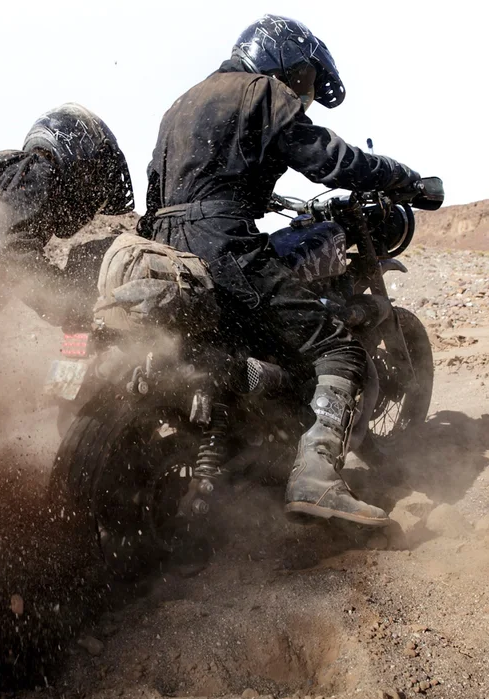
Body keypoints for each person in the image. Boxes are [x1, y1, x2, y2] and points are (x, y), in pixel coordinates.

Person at [138, 14, 423, 528]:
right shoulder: (263, 90)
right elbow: (330, 160)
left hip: (165, 251)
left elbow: (164, 193)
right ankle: (317, 478)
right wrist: (404, 179)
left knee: (252, 338)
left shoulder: (181, 103)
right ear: (282, 59)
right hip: (223, 245)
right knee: (337, 347)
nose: (305, 91)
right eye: (305, 77)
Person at [0, 103, 134, 324]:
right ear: (76, 151)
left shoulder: (9, 170)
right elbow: (10, 256)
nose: (94, 200)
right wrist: (77, 308)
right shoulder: (38, 171)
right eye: (96, 176)